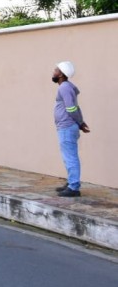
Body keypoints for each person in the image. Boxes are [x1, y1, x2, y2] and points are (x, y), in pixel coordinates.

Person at [51, 60, 90, 197]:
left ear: (61, 74)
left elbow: (71, 108)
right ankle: (71, 182)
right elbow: (76, 107)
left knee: (70, 157)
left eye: (56, 70)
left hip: (67, 127)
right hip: (67, 126)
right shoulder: (67, 87)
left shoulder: (64, 88)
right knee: (68, 157)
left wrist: (79, 122)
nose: (53, 72)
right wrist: (81, 123)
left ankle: (74, 187)